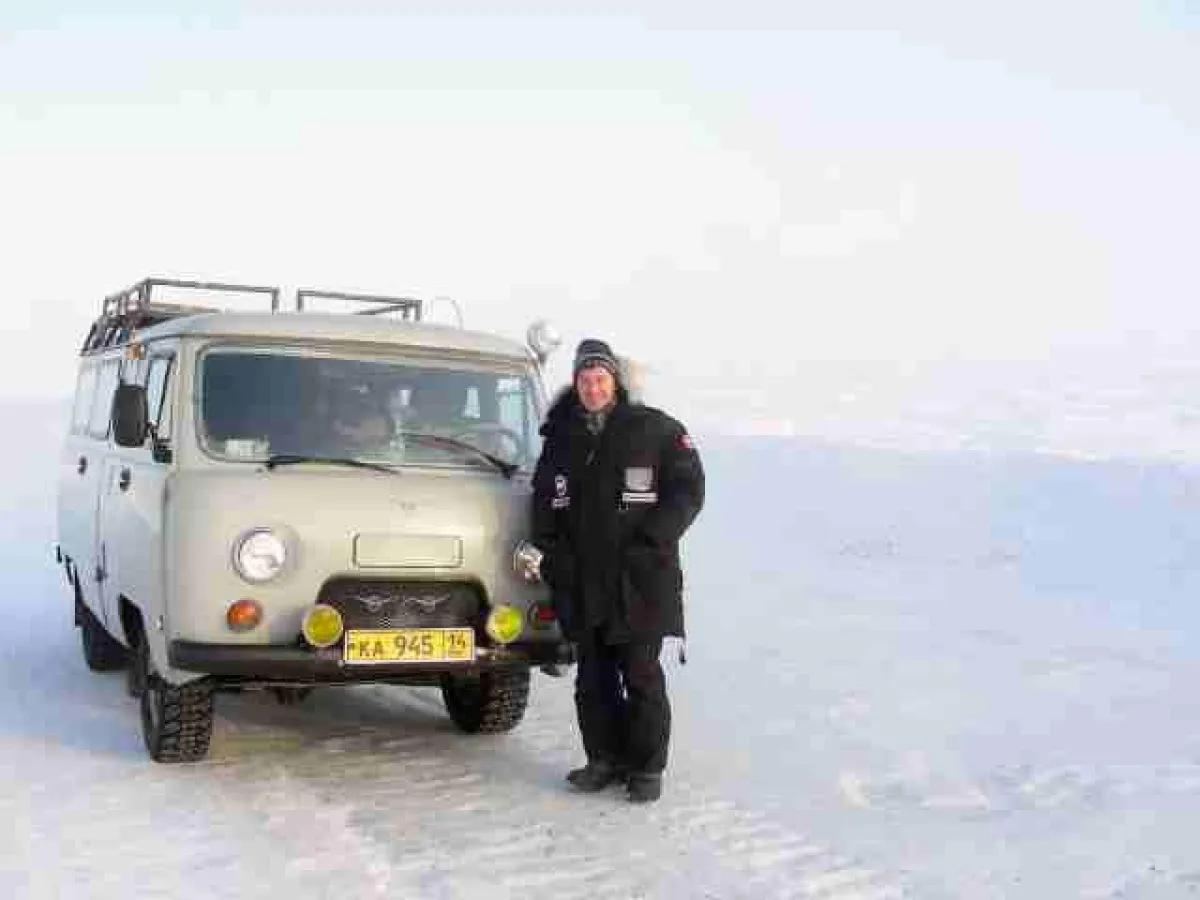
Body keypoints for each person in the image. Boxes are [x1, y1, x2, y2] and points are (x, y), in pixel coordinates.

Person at [526, 338, 705, 803]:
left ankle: (646, 769)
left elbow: (688, 489)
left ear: (616, 382)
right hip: (583, 580)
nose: (592, 388)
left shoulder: (655, 429)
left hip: (638, 581)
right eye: (585, 380)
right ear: (576, 384)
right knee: (593, 677)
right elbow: (543, 504)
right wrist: (556, 556)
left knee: (641, 674)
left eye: (600, 378)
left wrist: (654, 538)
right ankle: (603, 760)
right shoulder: (561, 436)